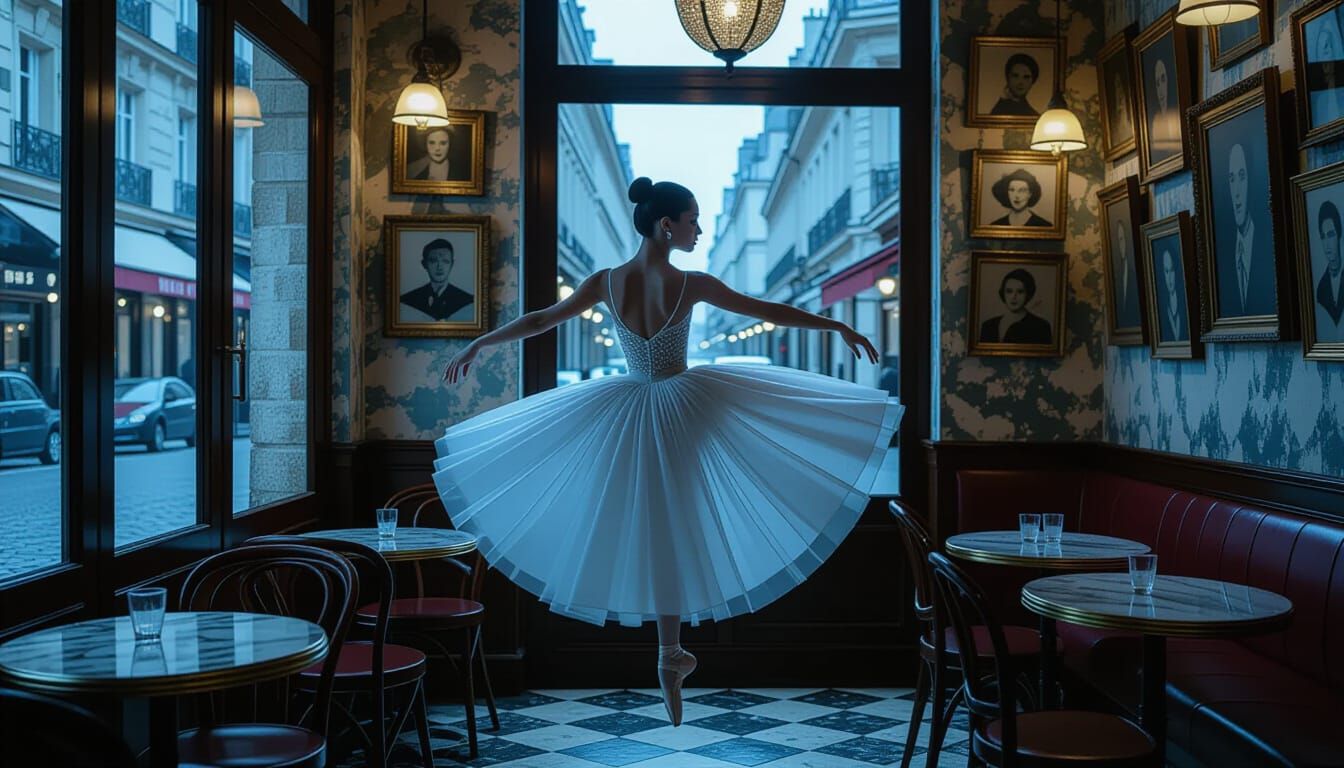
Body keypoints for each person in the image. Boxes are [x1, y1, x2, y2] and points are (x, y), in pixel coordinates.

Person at [435, 177, 903, 727]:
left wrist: (481, 342)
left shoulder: (606, 282)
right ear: (666, 225)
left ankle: (669, 652)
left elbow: (541, 320)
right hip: (684, 407)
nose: (698, 230)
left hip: (629, 407)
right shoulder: (691, 284)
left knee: (650, 525)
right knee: (677, 524)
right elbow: (766, 309)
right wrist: (833, 324)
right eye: (692, 220)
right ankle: (669, 651)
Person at [1219, 142, 1275, 317]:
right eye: (1232, 179)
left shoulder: (1268, 242)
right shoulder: (1222, 255)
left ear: (1251, 180)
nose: (1236, 192)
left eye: (1242, 177)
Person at [400, 238, 474, 322]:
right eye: (433, 261)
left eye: (445, 261)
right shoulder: (407, 301)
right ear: (424, 264)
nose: (439, 267)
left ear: (452, 264)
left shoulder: (467, 301)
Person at [978, 268, 1053, 345]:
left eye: (1020, 292)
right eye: (1009, 291)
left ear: (1028, 294)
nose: (1013, 297)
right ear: (1003, 293)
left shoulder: (1041, 327)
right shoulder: (988, 326)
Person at [1316, 200, 1344, 336]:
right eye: (1323, 237)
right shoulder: (1321, 288)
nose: (1327, 244)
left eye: (1331, 235)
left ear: (1339, 235)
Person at [1148, 57, 1181, 160]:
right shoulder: (1154, 125)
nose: (1161, 90)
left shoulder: (1177, 119)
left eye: (1163, 80)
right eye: (1157, 84)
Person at [1112, 218, 1140, 329]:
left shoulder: (1134, 273)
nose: (1121, 245)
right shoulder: (1117, 275)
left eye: (1122, 239)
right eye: (1119, 240)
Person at [1159, 246, 1188, 343]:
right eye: (1166, 271)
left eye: (1172, 270)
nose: (1169, 278)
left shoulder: (1185, 303)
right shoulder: (1162, 308)